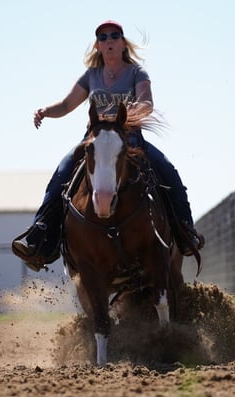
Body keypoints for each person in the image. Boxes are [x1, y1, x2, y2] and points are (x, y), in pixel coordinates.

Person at [12, 20, 204, 271]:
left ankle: (185, 232)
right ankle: (40, 237)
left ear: (123, 43)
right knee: (61, 174)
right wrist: (45, 111)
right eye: (103, 38)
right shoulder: (91, 75)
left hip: (130, 140)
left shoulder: (137, 73)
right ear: (97, 46)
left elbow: (147, 103)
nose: (109, 41)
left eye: (114, 36)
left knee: (167, 170)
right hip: (94, 141)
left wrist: (130, 113)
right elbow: (67, 105)